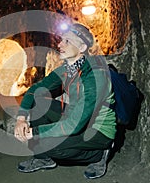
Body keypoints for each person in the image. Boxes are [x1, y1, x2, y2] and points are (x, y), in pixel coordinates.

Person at [14, 22, 116, 179]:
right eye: (61, 40)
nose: (60, 44)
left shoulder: (95, 76)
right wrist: (21, 118)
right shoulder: (67, 70)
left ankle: (98, 154)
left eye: (68, 41)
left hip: (97, 129)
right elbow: (34, 90)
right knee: (38, 102)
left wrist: (34, 132)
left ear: (82, 47)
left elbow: (74, 125)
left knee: (48, 145)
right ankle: (43, 159)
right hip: (74, 117)